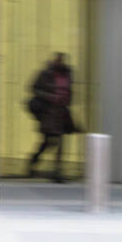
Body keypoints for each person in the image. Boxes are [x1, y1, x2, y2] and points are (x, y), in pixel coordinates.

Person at [27, 53, 77, 183]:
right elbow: (34, 88)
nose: (59, 62)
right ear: (54, 61)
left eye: (61, 60)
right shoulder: (45, 73)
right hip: (48, 112)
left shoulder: (68, 74)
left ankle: (57, 170)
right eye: (57, 60)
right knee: (47, 141)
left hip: (62, 112)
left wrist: (67, 100)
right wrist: (50, 96)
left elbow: (70, 90)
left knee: (60, 141)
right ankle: (33, 161)